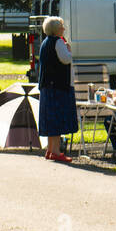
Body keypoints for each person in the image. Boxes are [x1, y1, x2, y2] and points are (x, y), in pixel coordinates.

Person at [36, 16, 78, 162]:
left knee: (50, 118)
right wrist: (69, 50)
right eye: (61, 26)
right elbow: (66, 59)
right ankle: (55, 151)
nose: (64, 29)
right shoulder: (58, 42)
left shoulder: (45, 42)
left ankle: (50, 149)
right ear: (56, 29)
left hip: (47, 85)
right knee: (57, 118)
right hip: (58, 85)